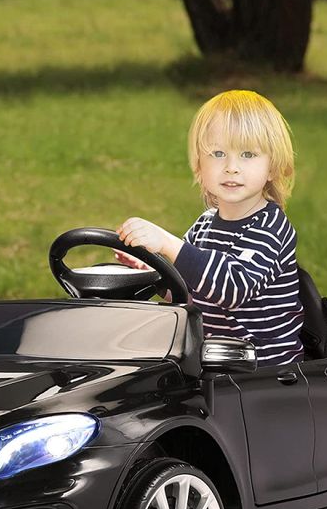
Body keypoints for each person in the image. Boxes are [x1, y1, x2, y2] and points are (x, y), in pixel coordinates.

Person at [116, 89, 305, 367]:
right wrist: (155, 272)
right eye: (218, 153)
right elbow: (190, 296)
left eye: (248, 154)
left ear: (273, 168)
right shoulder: (204, 225)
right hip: (216, 365)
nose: (231, 167)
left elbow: (233, 288)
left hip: (265, 372)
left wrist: (168, 244)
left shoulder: (270, 226)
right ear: (199, 166)